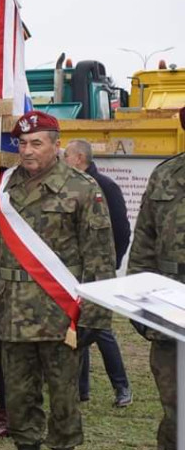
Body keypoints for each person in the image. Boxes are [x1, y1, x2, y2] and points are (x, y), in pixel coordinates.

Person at [0, 110, 115, 450]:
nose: (27, 151)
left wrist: (96, 316)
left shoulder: (81, 188)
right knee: (19, 397)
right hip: (13, 313)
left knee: (63, 398)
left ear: (56, 145)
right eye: (22, 144)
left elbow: (99, 257)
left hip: (63, 316)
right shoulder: (5, 188)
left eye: (36, 143)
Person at [127, 106, 185, 450]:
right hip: (170, 302)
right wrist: (137, 299)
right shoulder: (166, 176)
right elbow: (143, 241)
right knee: (174, 400)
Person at [63, 139, 132, 407]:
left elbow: (122, 231)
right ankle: (82, 389)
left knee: (100, 329)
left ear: (79, 158)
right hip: (74, 271)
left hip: (98, 270)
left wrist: (110, 264)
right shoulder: (68, 187)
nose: (62, 159)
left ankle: (122, 387)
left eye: (66, 155)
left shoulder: (105, 186)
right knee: (77, 324)